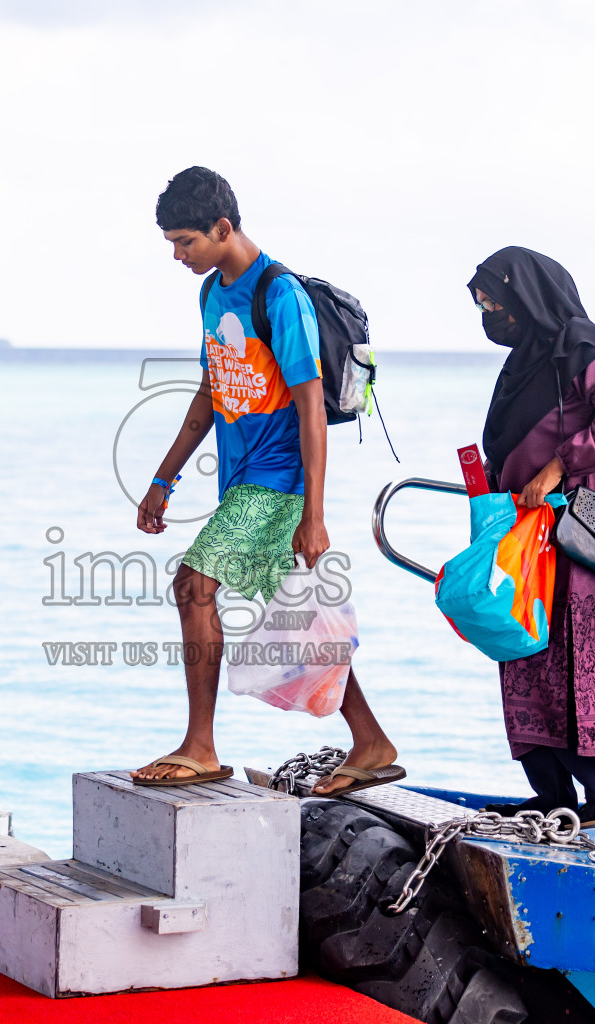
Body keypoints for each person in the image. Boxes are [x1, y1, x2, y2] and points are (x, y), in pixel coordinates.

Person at [131, 166, 402, 796]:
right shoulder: (211, 293)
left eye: (186, 242)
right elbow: (210, 390)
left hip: (279, 478)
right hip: (240, 478)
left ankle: (201, 745)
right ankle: (371, 740)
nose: (178, 256)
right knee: (304, 616)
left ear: (222, 228)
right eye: (171, 243)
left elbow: (311, 406)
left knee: (194, 584)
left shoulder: (279, 296)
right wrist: (163, 480)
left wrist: (315, 513)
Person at [471, 246, 595, 825]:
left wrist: (559, 465)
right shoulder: (526, 357)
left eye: (495, 301)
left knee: (571, 656)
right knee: (522, 646)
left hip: (583, 524)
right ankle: (551, 792)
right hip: (528, 529)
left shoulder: (583, 346)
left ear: (526, 296)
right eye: (482, 304)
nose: (490, 313)